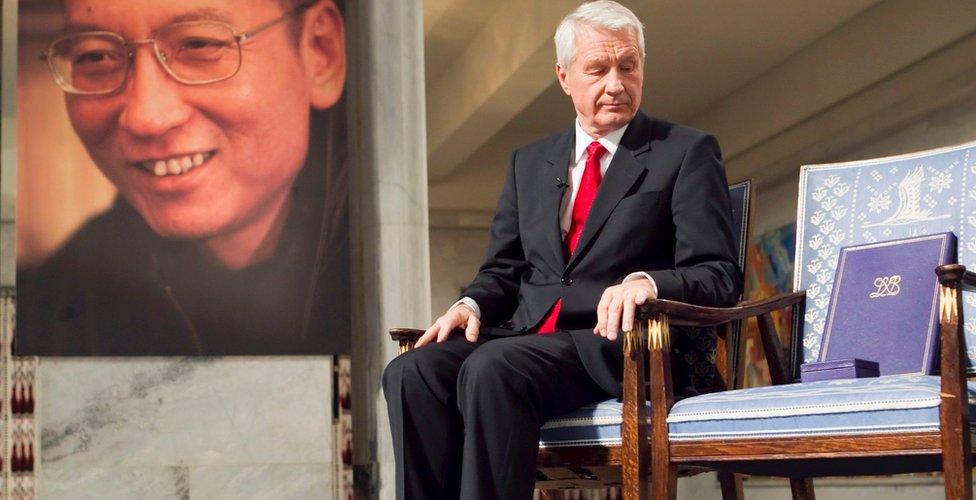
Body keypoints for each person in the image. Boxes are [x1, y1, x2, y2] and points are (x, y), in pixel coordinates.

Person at [382, 1, 741, 498]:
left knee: (493, 368)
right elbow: (503, 271)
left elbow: (719, 275)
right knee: (410, 371)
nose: (615, 83)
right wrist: (471, 304)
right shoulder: (527, 163)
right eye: (598, 69)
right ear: (564, 76)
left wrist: (649, 282)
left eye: (628, 66)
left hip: (618, 348)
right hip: (528, 335)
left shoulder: (685, 151)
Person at [16, 0, 349, 355]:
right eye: (95, 57)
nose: (146, 117)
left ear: (320, 52)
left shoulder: (403, 271)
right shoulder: (53, 310)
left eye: (199, 45)